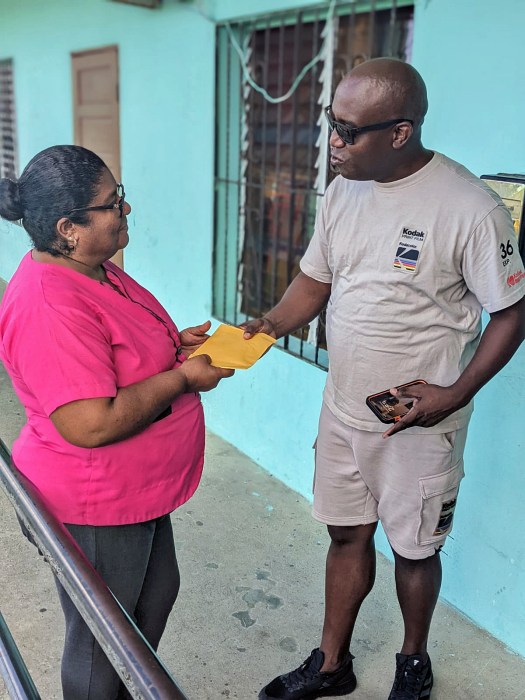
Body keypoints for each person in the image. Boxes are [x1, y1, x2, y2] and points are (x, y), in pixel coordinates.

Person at [244, 58, 525, 700]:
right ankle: (331, 665)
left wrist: (454, 394)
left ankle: (412, 660)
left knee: (415, 550)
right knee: (346, 533)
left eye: (348, 130)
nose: (333, 144)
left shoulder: (468, 208)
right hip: (343, 408)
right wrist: (264, 326)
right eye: (330, 124)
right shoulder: (345, 188)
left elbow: (512, 313)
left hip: (417, 420)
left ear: (399, 133)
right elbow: (317, 279)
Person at [0, 145, 233, 700]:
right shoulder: (49, 304)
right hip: (93, 499)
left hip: (135, 488)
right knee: (104, 640)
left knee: (153, 598)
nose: (126, 211)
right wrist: (180, 379)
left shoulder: (92, 270)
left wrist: (173, 348)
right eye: (113, 204)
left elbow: (114, 352)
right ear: (69, 228)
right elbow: (89, 423)